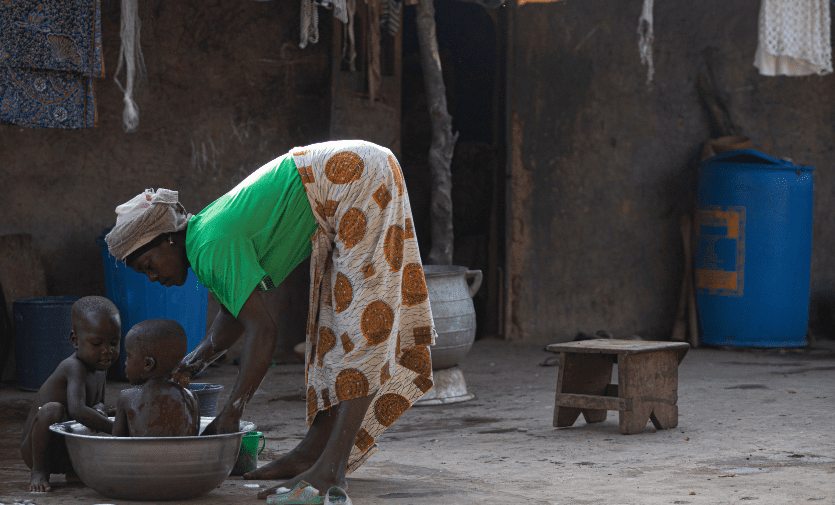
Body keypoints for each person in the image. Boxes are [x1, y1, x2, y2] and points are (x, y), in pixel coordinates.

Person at [104, 140, 436, 498]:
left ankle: (331, 469)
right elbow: (235, 315)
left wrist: (233, 411)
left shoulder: (207, 245)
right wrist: (193, 362)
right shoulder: (204, 235)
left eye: (148, 266)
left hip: (354, 176)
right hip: (345, 179)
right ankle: (309, 454)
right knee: (331, 334)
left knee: (361, 327)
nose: (153, 277)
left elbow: (262, 330)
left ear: (167, 239)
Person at [19, 296, 121, 492]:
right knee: (52, 410)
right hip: (36, 450)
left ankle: (75, 470)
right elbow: (76, 410)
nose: (107, 351)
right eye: (97, 343)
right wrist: (117, 430)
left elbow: (98, 402)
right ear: (75, 340)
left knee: (102, 413)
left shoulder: (100, 366)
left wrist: (100, 409)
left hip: (65, 452)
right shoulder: (74, 367)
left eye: (114, 342)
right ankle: (39, 472)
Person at [112, 319, 199, 438]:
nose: (126, 362)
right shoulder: (191, 397)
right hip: (184, 457)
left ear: (147, 364)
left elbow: (116, 446)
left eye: (129, 356)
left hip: (140, 457)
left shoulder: (127, 398)